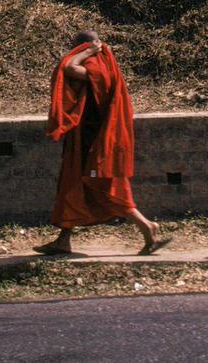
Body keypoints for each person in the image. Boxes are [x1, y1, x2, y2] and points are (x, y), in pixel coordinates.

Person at [33, 30, 171, 256]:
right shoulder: (100, 67)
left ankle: (147, 226)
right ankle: (63, 240)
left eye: (76, 48)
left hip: (95, 144)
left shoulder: (99, 69)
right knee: (72, 186)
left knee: (107, 188)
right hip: (85, 140)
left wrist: (86, 51)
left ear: (85, 47)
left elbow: (67, 67)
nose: (74, 53)